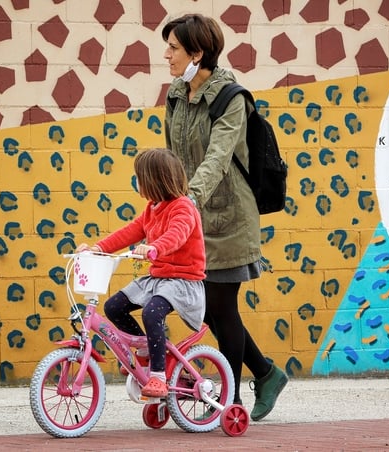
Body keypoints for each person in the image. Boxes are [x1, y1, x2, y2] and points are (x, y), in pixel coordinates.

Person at [161, 13, 288, 421]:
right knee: (206, 308)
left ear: (197, 53)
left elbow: (217, 157)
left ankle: (229, 402)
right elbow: (174, 155)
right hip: (193, 216)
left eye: (174, 48)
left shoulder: (231, 97)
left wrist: (188, 199)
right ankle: (266, 373)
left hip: (230, 215)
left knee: (221, 305)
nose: (167, 55)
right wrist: (168, 200)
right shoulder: (176, 94)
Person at [76, 148, 206, 398]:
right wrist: (98, 249)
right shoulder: (151, 209)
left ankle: (158, 376)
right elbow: (129, 232)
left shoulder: (183, 207)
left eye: (139, 177)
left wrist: (155, 247)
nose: (136, 181)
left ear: (154, 180)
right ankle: (146, 350)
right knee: (114, 307)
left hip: (182, 280)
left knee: (152, 312)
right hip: (158, 278)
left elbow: (177, 234)